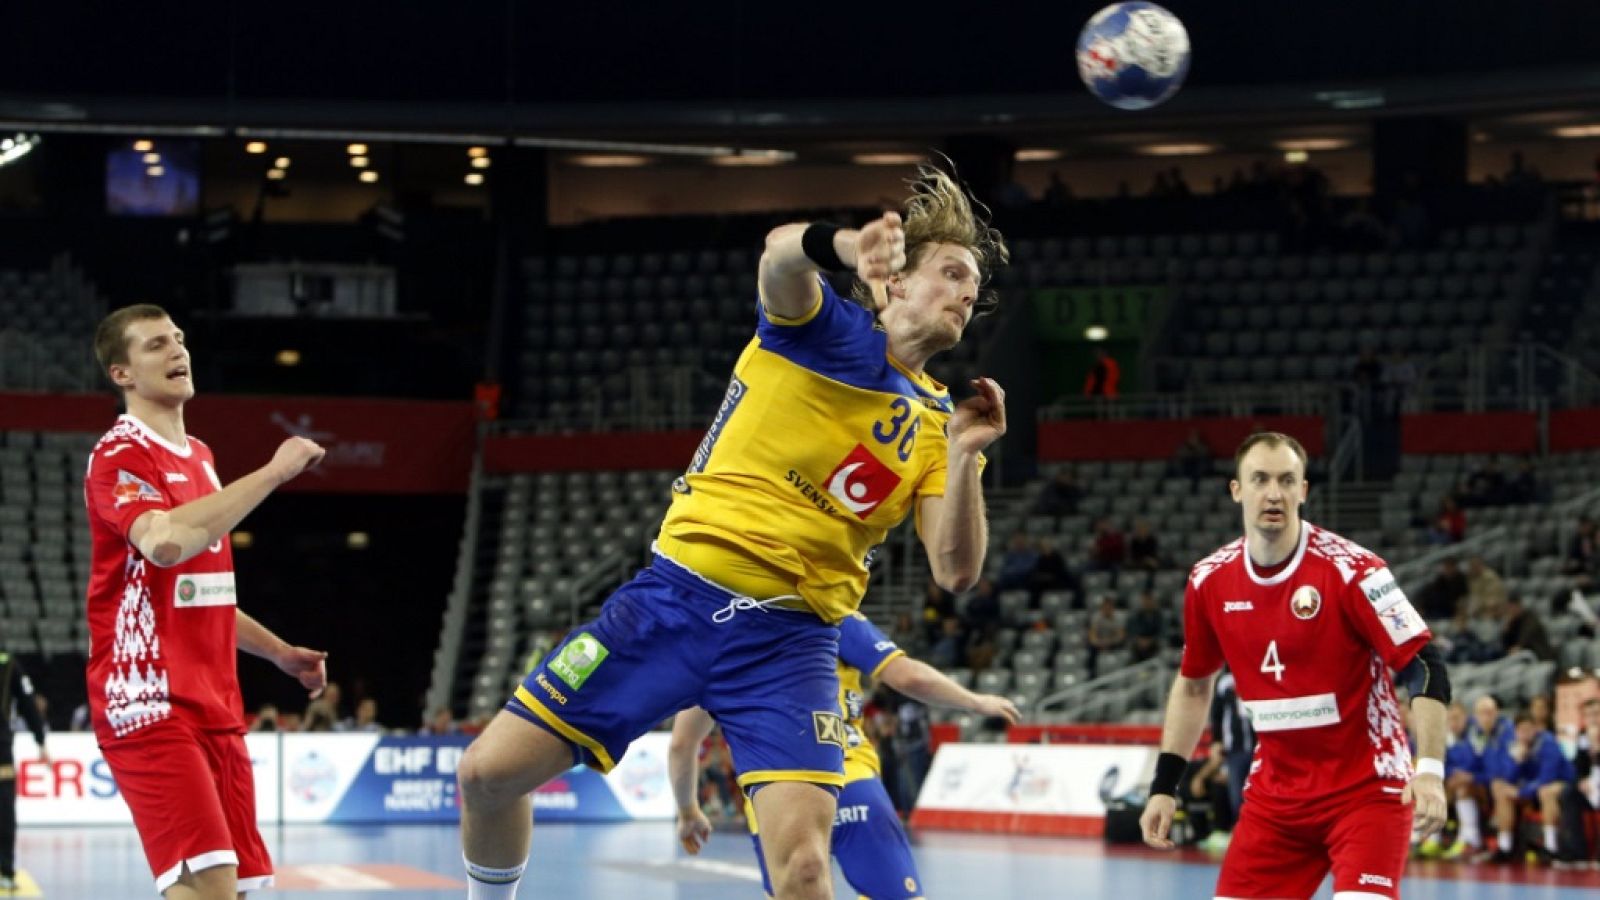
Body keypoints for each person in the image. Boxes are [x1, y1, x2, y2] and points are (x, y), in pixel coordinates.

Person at [456, 166, 1008, 900]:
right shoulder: (824, 332)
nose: (967, 292)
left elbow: (956, 570)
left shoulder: (941, 426)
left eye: (973, 286)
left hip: (792, 642)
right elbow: (780, 254)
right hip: (673, 602)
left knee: (806, 867)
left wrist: (969, 458)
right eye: (951, 271)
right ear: (897, 282)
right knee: (487, 777)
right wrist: (847, 244)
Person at [85, 304, 330, 899]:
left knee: (241, 887)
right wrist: (273, 473)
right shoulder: (118, 455)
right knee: (210, 884)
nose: (177, 351)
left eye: (180, 339)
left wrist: (277, 654)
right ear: (122, 373)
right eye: (155, 345)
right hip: (148, 698)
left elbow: (201, 593)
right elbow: (164, 543)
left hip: (216, 701)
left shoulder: (200, 457)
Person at [1139, 432, 1450, 899]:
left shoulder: (1354, 570)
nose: (1274, 493)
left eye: (1287, 480)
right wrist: (1164, 785)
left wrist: (1430, 769)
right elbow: (1193, 686)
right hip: (1276, 801)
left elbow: (1425, 664)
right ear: (1236, 490)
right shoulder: (1209, 581)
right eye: (1260, 479)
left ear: (1303, 491)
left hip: (1367, 792)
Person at [668, 611, 1018, 899]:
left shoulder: (721, 641)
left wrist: (688, 810)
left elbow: (682, 744)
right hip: (845, 775)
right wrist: (974, 701)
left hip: (775, 793)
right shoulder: (830, 612)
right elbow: (908, 677)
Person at [1485, 714, 1575, 862]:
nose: (1525, 734)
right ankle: (1505, 847)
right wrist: (1517, 760)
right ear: (1516, 732)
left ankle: (1550, 848)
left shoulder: (1548, 743)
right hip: (1532, 787)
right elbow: (1508, 777)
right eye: (1521, 730)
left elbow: (1547, 777)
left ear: (1535, 729)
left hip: (1562, 784)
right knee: (1500, 788)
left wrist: (1520, 792)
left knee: (1546, 791)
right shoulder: (1515, 746)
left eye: (1528, 729)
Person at [0, 649, 49, 892]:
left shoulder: (8, 664)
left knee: (4, 812)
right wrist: (41, 742)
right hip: (1, 750)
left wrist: (41, 741)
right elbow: (28, 705)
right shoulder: (8, 664)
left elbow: (28, 705)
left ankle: (6, 871)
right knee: (4, 812)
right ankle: (5, 872)